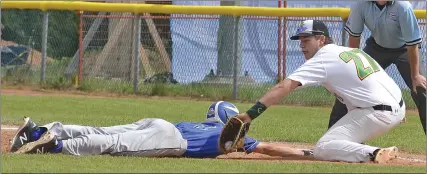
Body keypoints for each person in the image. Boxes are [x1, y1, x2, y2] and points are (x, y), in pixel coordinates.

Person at [230, 19, 405, 164]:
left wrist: (250, 115)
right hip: (395, 106)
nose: (302, 46)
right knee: (337, 141)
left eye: (306, 40)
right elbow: (379, 77)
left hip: (377, 112)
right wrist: (397, 106)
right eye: (300, 41)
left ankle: (374, 153)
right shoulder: (348, 51)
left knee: (323, 147)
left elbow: (284, 86)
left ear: (321, 39)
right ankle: (363, 149)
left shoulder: (323, 57)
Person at [10, 101, 313, 159]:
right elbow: (269, 149)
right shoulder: (230, 135)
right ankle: (54, 146)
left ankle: (42, 131)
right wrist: (307, 154)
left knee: (100, 129)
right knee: (113, 142)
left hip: (159, 123)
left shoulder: (204, 124)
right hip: (170, 138)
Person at [335, 1, 426, 133]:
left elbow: (412, 45)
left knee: (422, 90)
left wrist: (416, 76)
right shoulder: (360, 5)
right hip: (376, 48)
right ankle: (335, 138)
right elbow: (354, 37)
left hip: (404, 49)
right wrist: (353, 71)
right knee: (350, 85)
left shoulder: (403, 7)